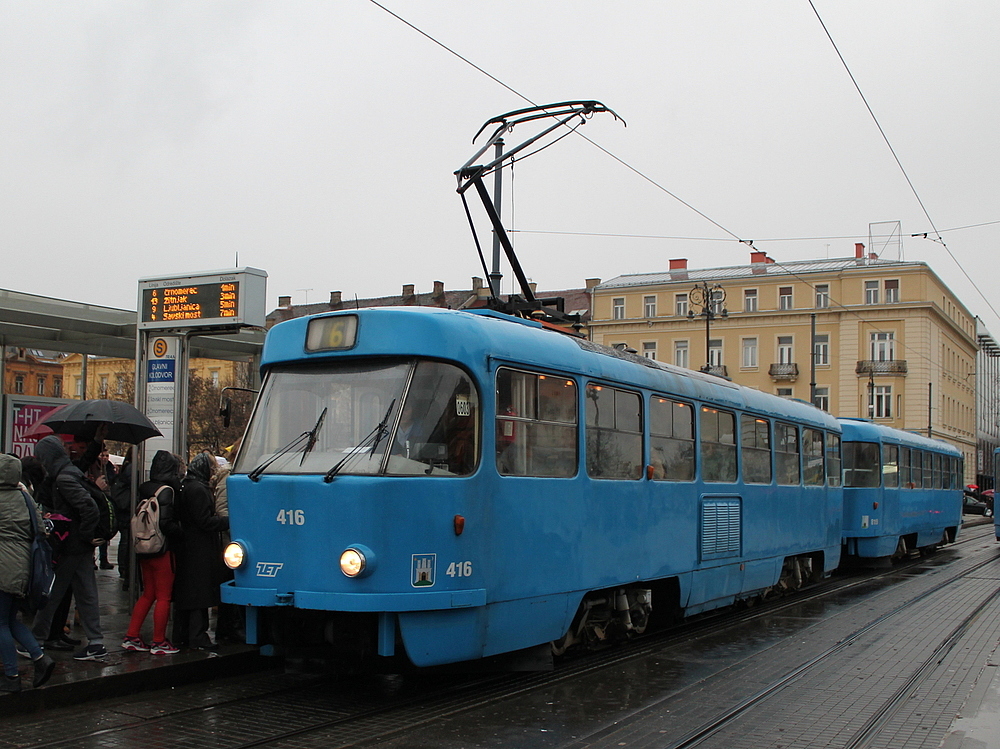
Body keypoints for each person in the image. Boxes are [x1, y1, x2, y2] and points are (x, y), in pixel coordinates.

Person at [31, 436, 107, 661]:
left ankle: (35, 640)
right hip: (78, 545)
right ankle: (96, 643)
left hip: (72, 544)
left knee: (53, 592)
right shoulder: (70, 472)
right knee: (86, 592)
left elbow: (88, 508)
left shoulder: (63, 478)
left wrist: (84, 535)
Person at [0, 455, 56, 692]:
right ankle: (40, 658)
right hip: (24, 568)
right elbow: (42, 529)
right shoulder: (25, 497)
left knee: (0, 623)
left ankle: (12, 676)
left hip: (2, 568)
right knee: (11, 620)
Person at [122, 451, 183, 655]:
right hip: (162, 549)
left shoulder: (145, 488)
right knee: (164, 596)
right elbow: (166, 524)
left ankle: (132, 635)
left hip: (143, 548)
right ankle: (159, 641)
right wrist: (182, 531)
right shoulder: (167, 491)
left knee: (148, 593)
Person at [172, 452, 229, 650]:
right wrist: (226, 521)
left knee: (190, 593)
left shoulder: (187, 485)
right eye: (211, 468)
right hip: (199, 548)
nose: (213, 473)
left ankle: (183, 635)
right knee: (200, 592)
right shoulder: (198, 489)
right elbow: (204, 521)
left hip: (189, 546)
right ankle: (198, 636)